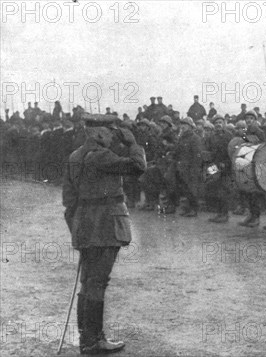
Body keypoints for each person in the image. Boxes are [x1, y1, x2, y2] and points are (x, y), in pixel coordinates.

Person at [62, 113, 146, 354]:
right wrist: (133, 144)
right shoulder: (101, 156)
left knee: (88, 283)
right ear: (98, 133)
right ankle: (94, 341)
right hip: (106, 227)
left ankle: (86, 339)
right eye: (110, 132)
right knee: (98, 283)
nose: (112, 137)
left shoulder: (75, 156)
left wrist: (77, 229)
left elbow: (68, 200)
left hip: (86, 228)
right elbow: (139, 166)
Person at [206, 115, 234, 223]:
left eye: (220, 122)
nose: (218, 124)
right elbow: (208, 151)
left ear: (224, 123)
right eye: (216, 122)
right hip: (214, 166)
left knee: (224, 190)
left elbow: (232, 152)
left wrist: (226, 164)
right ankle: (219, 213)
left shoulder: (228, 136)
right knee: (215, 188)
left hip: (225, 166)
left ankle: (224, 214)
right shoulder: (212, 137)